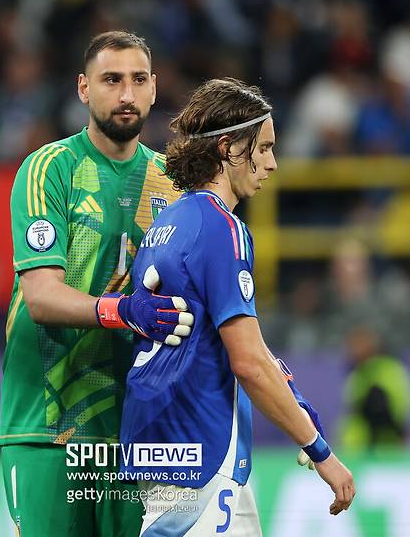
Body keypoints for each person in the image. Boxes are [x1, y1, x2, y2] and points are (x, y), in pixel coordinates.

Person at [120, 78, 355, 535]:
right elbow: (246, 362)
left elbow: (226, 340)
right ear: (228, 148)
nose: (271, 163)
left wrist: (293, 397)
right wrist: (321, 451)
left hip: (157, 446)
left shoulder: (166, 223)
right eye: (263, 148)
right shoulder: (221, 227)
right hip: (204, 451)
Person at [0, 31, 193, 537]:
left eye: (138, 80)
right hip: (48, 425)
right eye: (111, 80)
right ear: (84, 89)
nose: (126, 94)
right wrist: (122, 311)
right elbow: (40, 297)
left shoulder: (172, 184)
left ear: (155, 89)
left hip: (138, 434)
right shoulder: (49, 169)